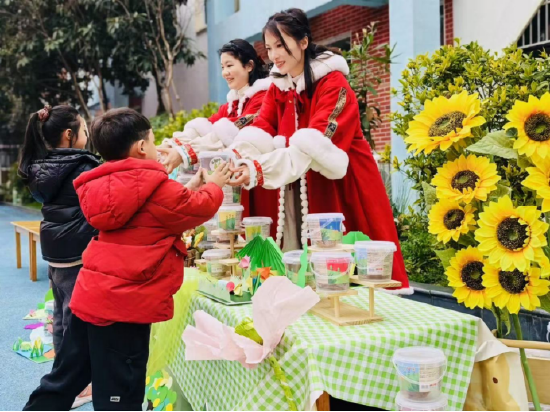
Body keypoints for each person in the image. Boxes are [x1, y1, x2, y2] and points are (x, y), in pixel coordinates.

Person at [24, 108, 229, 411]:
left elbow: (150, 210)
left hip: (90, 296)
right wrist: (215, 185)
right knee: (121, 389)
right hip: (124, 305)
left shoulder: (100, 184)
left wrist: (191, 188)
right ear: (142, 146)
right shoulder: (157, 186)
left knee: (67, 375)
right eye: (153, 140)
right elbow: (194, 208)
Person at [227, 9, 410, 292]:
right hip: (297, 184)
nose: (274, 55)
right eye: (270, 48)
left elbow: (314, 147)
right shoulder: (279, 86)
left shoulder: (334, 84)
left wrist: (257, 170)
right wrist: (238, 159)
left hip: (342, 186)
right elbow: (262, 126)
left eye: (281, 45)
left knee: (347, 270)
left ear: (303, 42)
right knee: (304, 267)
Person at [19, 105, 100, 408]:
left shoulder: (38, 167)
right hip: (78, 252)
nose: (87, 136)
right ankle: (73, 384)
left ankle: (61, 374)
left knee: (61, 317)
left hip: (55, 251)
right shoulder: (82, 166)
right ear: (69, 135)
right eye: (84, 130)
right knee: (76, 322)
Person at [159, 39, 280, 231]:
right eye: (223, 67)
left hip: (259, 181)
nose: (225, 73)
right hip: (240, 181)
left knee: (262, 233)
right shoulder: (233, 104)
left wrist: (184, 153)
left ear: (249, 66)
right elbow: (207, 127)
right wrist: (173, 145)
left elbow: (225, 134)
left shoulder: (263, 98)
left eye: (230, 65)